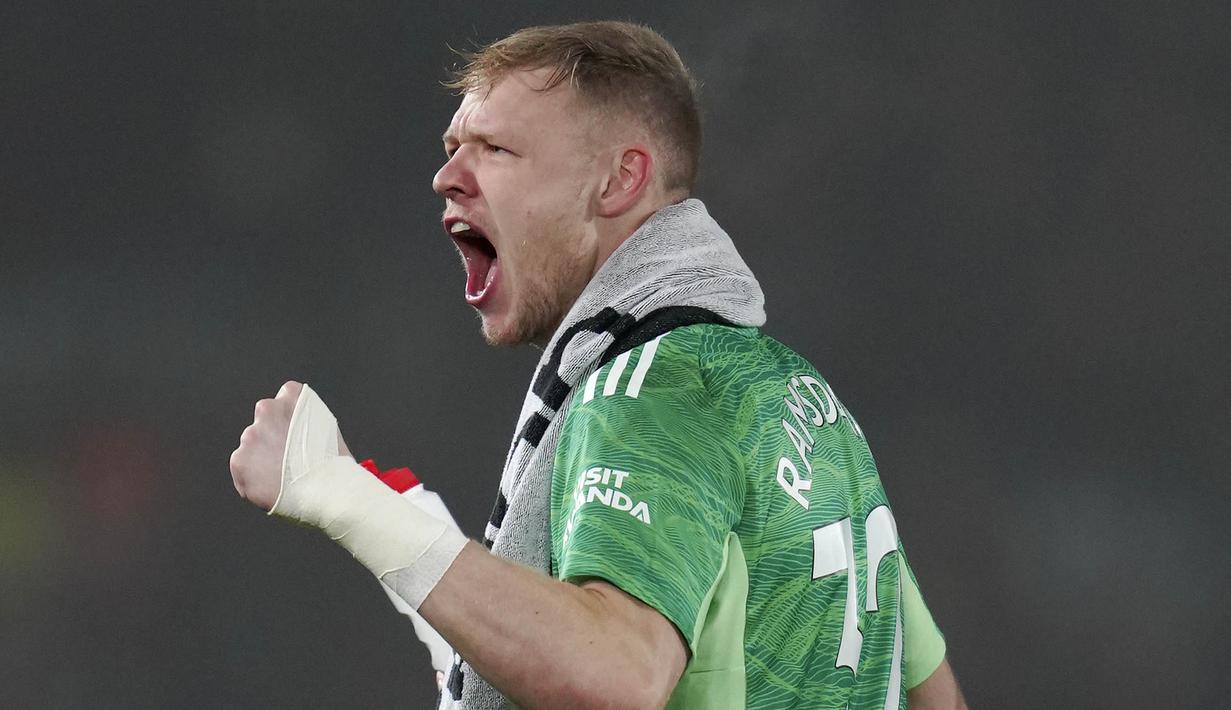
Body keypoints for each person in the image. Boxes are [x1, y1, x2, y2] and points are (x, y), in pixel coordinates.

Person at [229, 20, 967, 710]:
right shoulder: (801, 400)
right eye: (452, 145)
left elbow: (616, 673)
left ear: (617, 182)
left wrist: (348, 504)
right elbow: (930, 690)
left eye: (495, 149)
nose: (446, 176)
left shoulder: (650, 386)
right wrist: (463, 614)